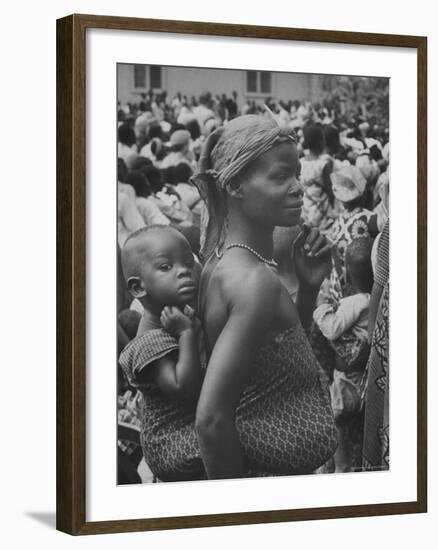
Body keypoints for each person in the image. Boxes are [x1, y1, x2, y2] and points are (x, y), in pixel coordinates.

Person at [192, 114, 337, 479]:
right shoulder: (254, 281)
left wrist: (308, 290)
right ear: (236, 185)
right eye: (280, 177)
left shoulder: (221, 263)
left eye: (297, 174)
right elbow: (211, 421)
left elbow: (272, 362)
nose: (298, 188)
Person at [119, 225, 205, 481]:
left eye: (188, 263)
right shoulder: (150, 341)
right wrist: (187, 335)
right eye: (166, 267)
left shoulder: (178, 315)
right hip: (173, 445)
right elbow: (183, 390)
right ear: (138, 288)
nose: (184, 272)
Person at [313, 237, 373, 472]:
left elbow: (331, 328)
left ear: (349, 276)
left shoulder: (355, 302)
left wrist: (321, 307)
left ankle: (341, 465)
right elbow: (345, 277)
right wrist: (337, 259)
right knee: (355, 425)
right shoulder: (368, 300)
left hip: (346, 382)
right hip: (360, 379)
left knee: (335, 419)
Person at [327, 164, 378, 303]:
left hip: (338, 287)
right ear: (363, 193)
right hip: (362, 287)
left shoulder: (336, 223)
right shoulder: (371, 219)